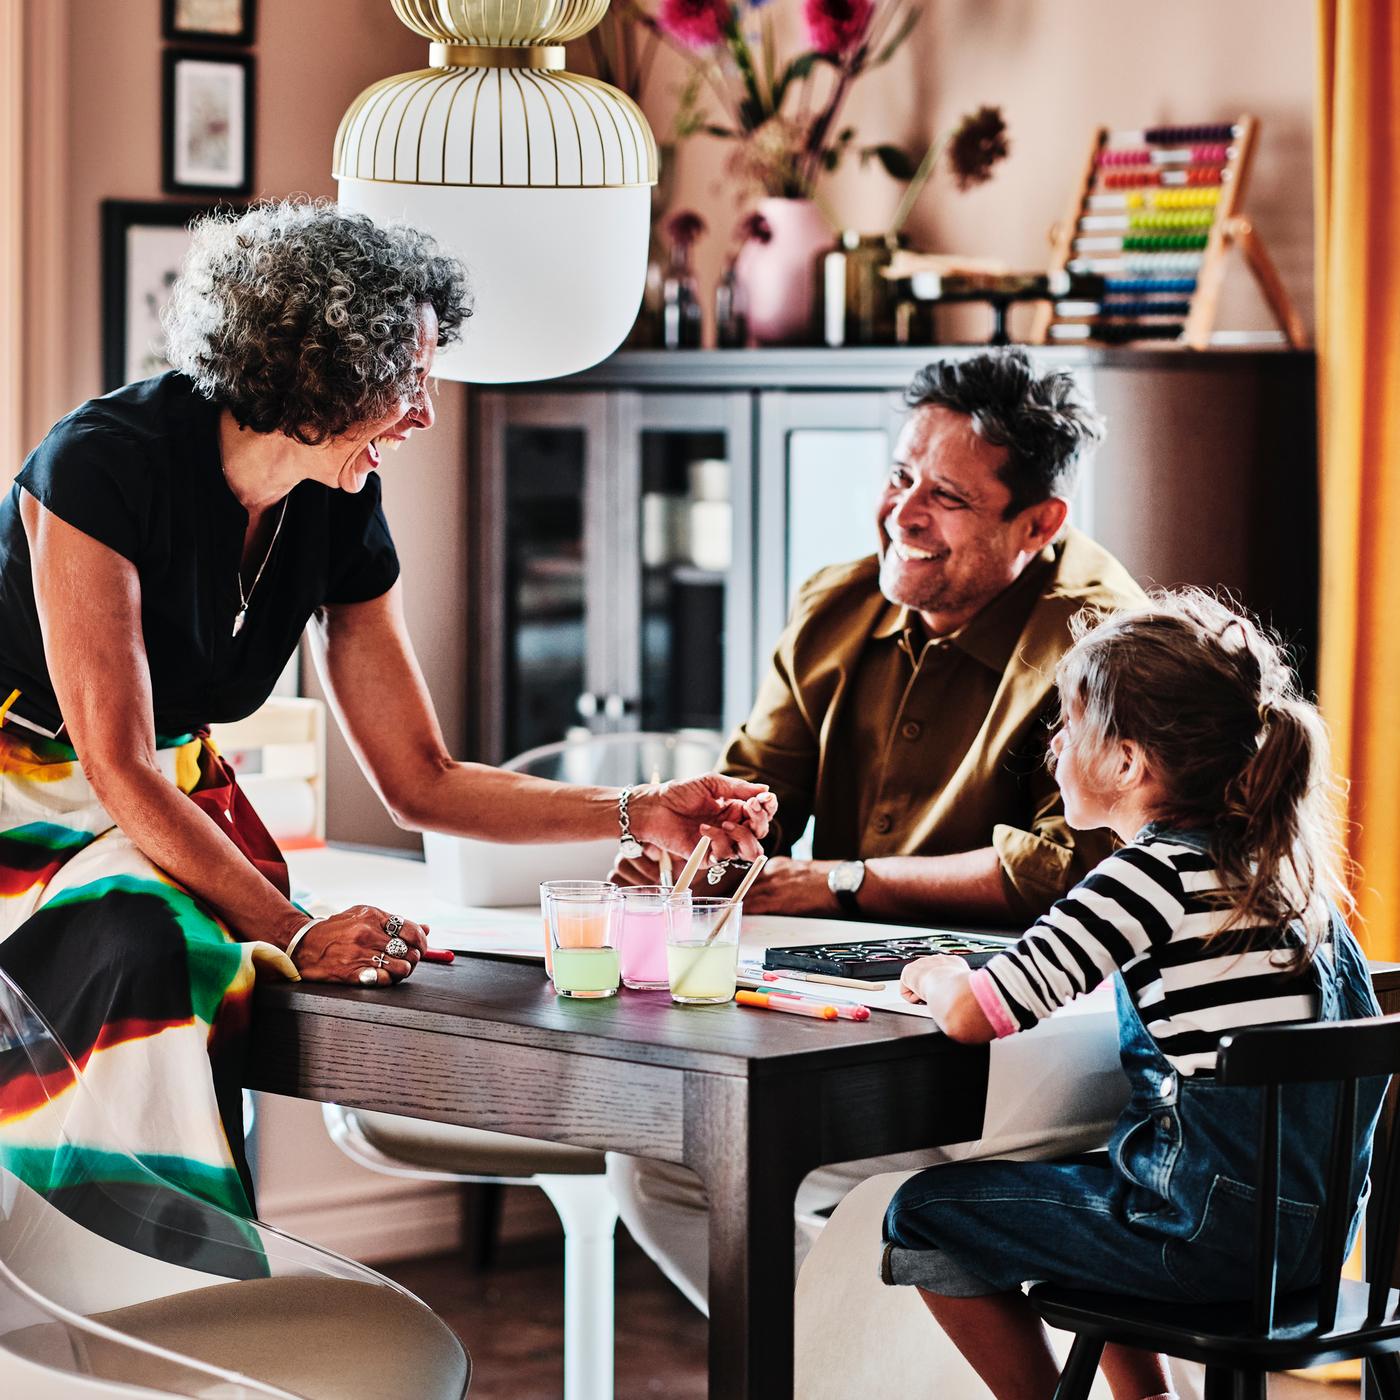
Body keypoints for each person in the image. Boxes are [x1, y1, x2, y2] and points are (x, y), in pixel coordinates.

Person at [0, 199, 772, 1220]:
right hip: (31, 802)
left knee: (189, 947)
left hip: (158, 811)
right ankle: (113, 1288)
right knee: (149, 941)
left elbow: (421, 778)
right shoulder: (100, 462)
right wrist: (290, 924)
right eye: (407, 377)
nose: (425, 411)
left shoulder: (336, 493)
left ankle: (142, 1286)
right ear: (313, 370)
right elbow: (119, 762)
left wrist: (639, 807)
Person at [608, 347, 1144, 1312]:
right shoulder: (836, 604)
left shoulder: (1098, 640)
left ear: (1039, 523)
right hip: (861, 1002)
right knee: (659, 1157)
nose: (902, 514)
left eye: (946, 496)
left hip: (1040, 1026)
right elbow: (751, 794)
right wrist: (683, 852)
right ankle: (834, 1371)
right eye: (900, 475)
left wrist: (842, 882)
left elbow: (1075, 867)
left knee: (830, 1173)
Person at [882, 590, 1382, 1400]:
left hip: (1201, 1238)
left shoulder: (1145, 877)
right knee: (1084, 1171)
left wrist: (939, 973)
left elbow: (978, 1013)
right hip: (1314, 1246)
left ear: (1125, 762)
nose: (1052, 744)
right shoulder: (1282, 875)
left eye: (1068, 723)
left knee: (926, 1211)